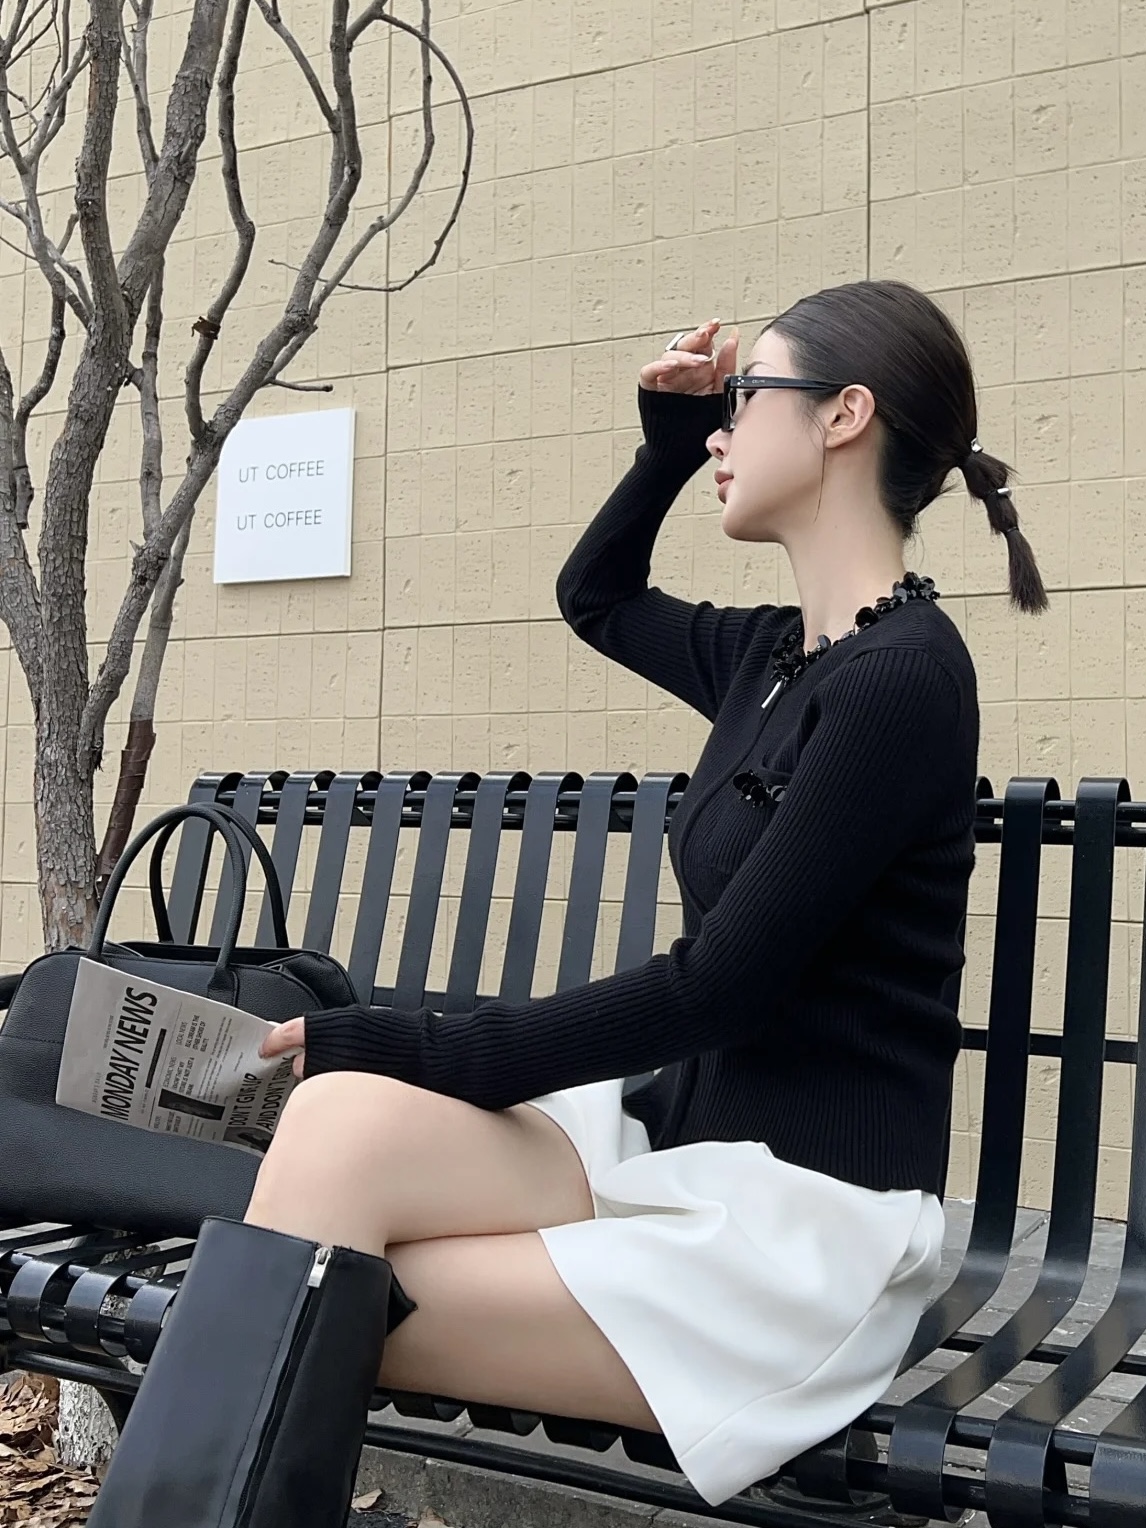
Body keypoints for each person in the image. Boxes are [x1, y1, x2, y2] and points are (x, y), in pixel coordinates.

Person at [88, 280, 1047, 1528]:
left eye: (747, 397)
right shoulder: (773, 657)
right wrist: (664, 446)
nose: (724, 428)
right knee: (334, 1135)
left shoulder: (901, 682)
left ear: (842, 416)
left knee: (314, 1295)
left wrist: (410, 1040)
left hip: (792, 1228)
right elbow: (596, 595)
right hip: (672, 1151)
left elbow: (718, 989)